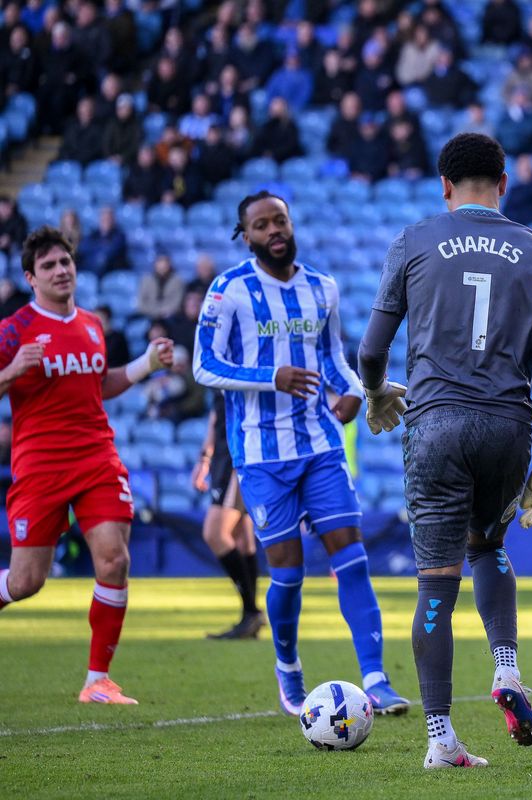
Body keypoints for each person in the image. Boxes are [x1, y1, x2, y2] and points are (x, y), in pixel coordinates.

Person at [356, 133, 532, 769]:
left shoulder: (416, 240)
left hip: (437, 425)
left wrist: (374, 393)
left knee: (435, 585)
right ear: (503, 182)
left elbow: (371, 351)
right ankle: (506, 669)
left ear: (444, 185)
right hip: (508, 427)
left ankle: (442, 738)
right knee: (489, 547)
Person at [192, 191, 409, 718]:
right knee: (287, 572)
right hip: (261, 455)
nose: (274, 230)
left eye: (280, 220)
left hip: (319, 444)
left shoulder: (322, 288)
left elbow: (332, 360)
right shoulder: (229, 290)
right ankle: (288, 668)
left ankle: (376, 679)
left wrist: (356, 389)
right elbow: (203, 366)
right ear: (246, 236)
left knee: (351, 559)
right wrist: (271, 378)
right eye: (262, 224)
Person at [0, 226, 175, 704]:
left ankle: (96, 680)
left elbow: (100, 383)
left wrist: (144, 365)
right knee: (26, 582)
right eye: (49, 265)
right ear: (31, 278)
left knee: (115, 559)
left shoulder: (92, 324)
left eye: (66, 262)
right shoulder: (13, 329)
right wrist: (12, 372)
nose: (61, 271)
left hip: (97, 457)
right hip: (40, 467)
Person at [191, 391, 263, 639]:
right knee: (243, 539)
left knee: (215, 533)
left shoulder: (245, 361)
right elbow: (215, 416)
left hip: (239, 456)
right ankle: (250, 617)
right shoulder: (220, 366)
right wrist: (205, 458)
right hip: (224, 456)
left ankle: (252, 612)